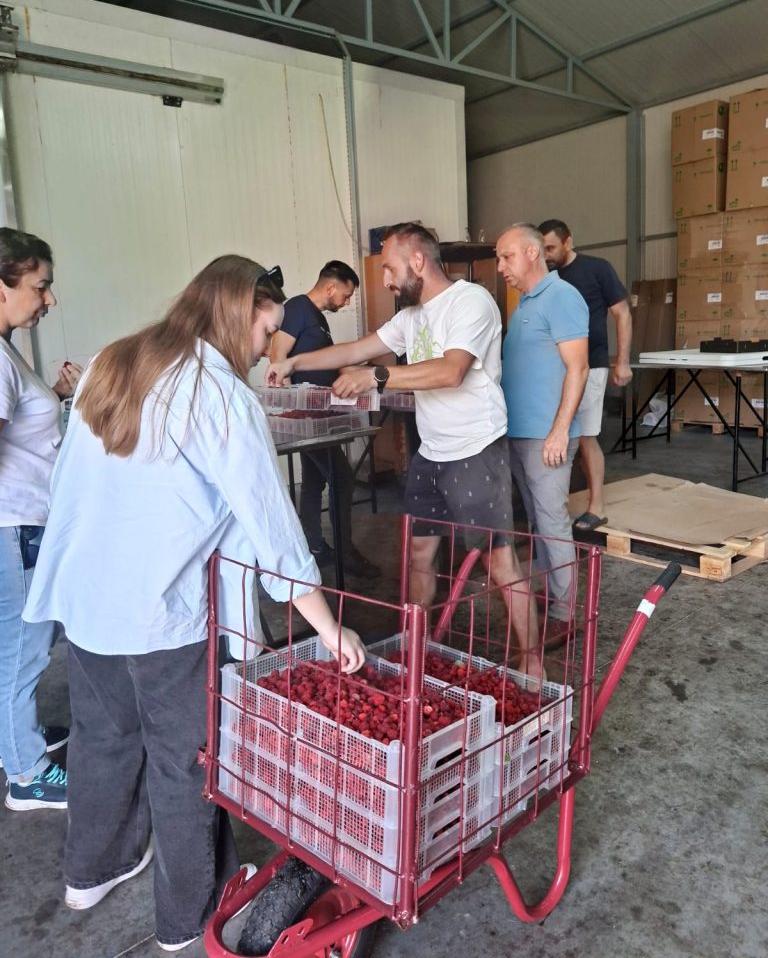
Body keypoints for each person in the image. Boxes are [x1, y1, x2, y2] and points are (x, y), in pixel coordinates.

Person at [22, 256, 365, 952]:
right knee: (187, 759)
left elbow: (72, 481)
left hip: (87, 600)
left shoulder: (113, 361)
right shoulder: (218, 392)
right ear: (240, 314)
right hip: (162, 612)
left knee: (103, 737)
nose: (265, 347)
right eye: (265, 330)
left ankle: (93, 870)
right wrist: (329, 628)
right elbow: (272, 525)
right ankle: (189, 914)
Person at [267, 223, 542, 679]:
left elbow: (452, 371)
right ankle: (419, 652)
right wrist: (293, 361)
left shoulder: (470, 301)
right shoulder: (410, 317)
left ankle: (532, 660)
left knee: (499, 562)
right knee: (418, 558)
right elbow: (356, 349)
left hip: (475, 449)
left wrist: (376, 376)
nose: (386, 280)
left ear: (418, 261)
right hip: (430, 453)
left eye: (390, 269)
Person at [0, 227, 81, 811]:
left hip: (21, 523)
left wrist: (51, 395)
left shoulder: (8, 351)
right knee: (23, 650)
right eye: (39, 286)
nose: (48, 299)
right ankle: (25, 773)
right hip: (13, 526)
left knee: (22, 642)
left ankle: (14, 738)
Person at [497, 224, 589, 623]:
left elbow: (579, 368)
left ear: (532, 253)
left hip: (546, 437)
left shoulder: (562, 297)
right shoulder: (524, 304)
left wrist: (559, 430)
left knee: (552, 522)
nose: (501, 267)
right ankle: (551, 595)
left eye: (507, 257)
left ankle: (565, 614)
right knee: (537, 520)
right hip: (519, 433)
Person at [269, 260, 379, 579]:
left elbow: (331, 364)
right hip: (306, 416)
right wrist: (290, 404)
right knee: (342, 479)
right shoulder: (297, 308)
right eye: (346, 295)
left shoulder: (318, 320)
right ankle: (344, 551)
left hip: (322, 415)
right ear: (330, 287)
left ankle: (314, 546)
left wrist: (369, 372)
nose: (346, 303)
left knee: (314, 481)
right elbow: (278, 355)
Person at [538, 219, 632, 530]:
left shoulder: (597, 269)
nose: (547, 255)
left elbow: (622, 313)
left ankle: (596, 507)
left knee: (586, 437)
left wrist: (622, 362)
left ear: (568, 241)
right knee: (556, 434)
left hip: (590, 365)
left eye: (551, 248)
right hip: (554, 368)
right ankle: (556, 505)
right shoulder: (545, 277)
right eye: (542, 249)